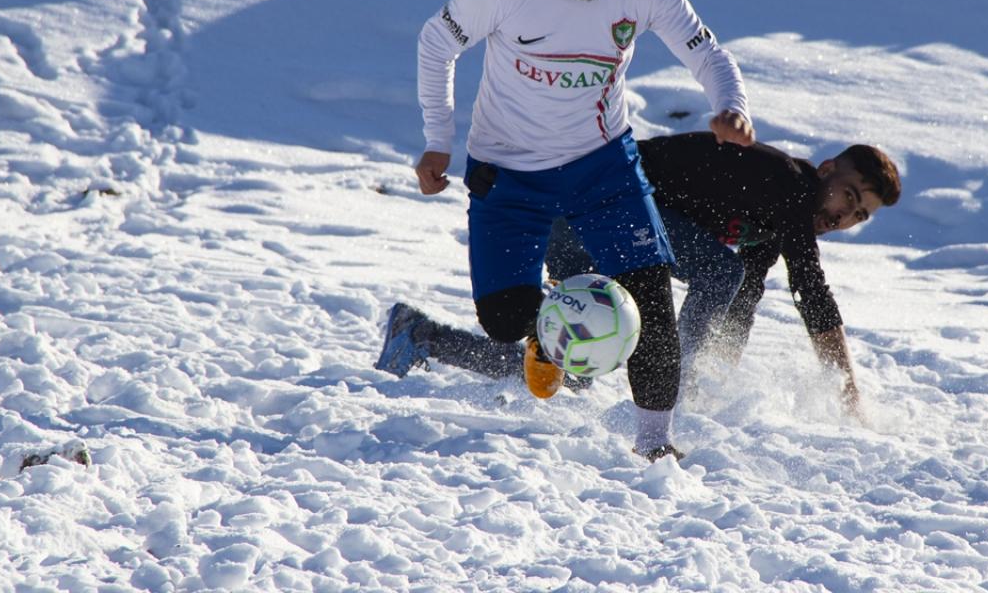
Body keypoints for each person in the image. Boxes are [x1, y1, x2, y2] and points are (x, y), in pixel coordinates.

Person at [408, 0, 754, 463]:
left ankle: (654, 443)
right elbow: (436, 43)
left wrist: (732, 108)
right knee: (502, 318)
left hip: (603, 164)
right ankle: (546, 332)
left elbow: (707, 53)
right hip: (508, 169)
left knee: (649, 299)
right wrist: (438, 142)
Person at [380, 134, 902, 423]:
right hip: (586, 209)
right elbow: (811, 291)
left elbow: (742, 302)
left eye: (859, 216)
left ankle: (420, 337)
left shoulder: (773, 225)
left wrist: (719, 380)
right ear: (828, 169)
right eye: (849, 197)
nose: (842, 217)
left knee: (578, 363)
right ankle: (675, 390)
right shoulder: (789, 185)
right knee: (722, 268)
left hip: (592, 229)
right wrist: (848, 391)